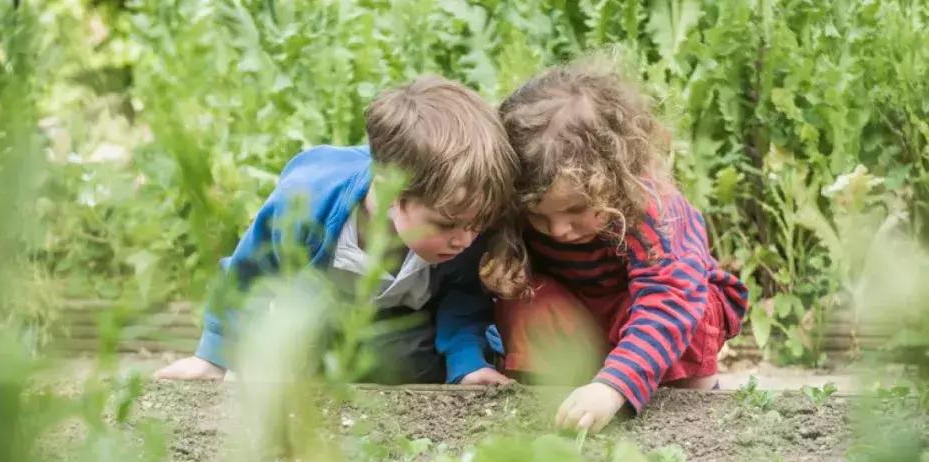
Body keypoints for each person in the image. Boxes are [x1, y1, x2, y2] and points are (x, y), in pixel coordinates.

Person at [156, 75, 517, 385]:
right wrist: (213, 357)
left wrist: (468, 365)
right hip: (318, 309)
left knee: (407, 362)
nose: (465, 239)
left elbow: (463, 300)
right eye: (446, 224)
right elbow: (250, 274)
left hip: (401, 324)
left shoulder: (461, 218)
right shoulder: (306, 205)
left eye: (477, 224)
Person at [481, 59, 749, 430]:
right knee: (525, 298)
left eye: (576, 210)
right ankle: (552, 401)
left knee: (695, 308)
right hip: (584, 318)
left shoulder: (654, 211)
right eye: (538, 216)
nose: (558, 230)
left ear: (615, 179)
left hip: (657, 315)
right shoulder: (526, 203)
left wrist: (614, 385)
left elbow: (670, 299)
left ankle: (695, 404)